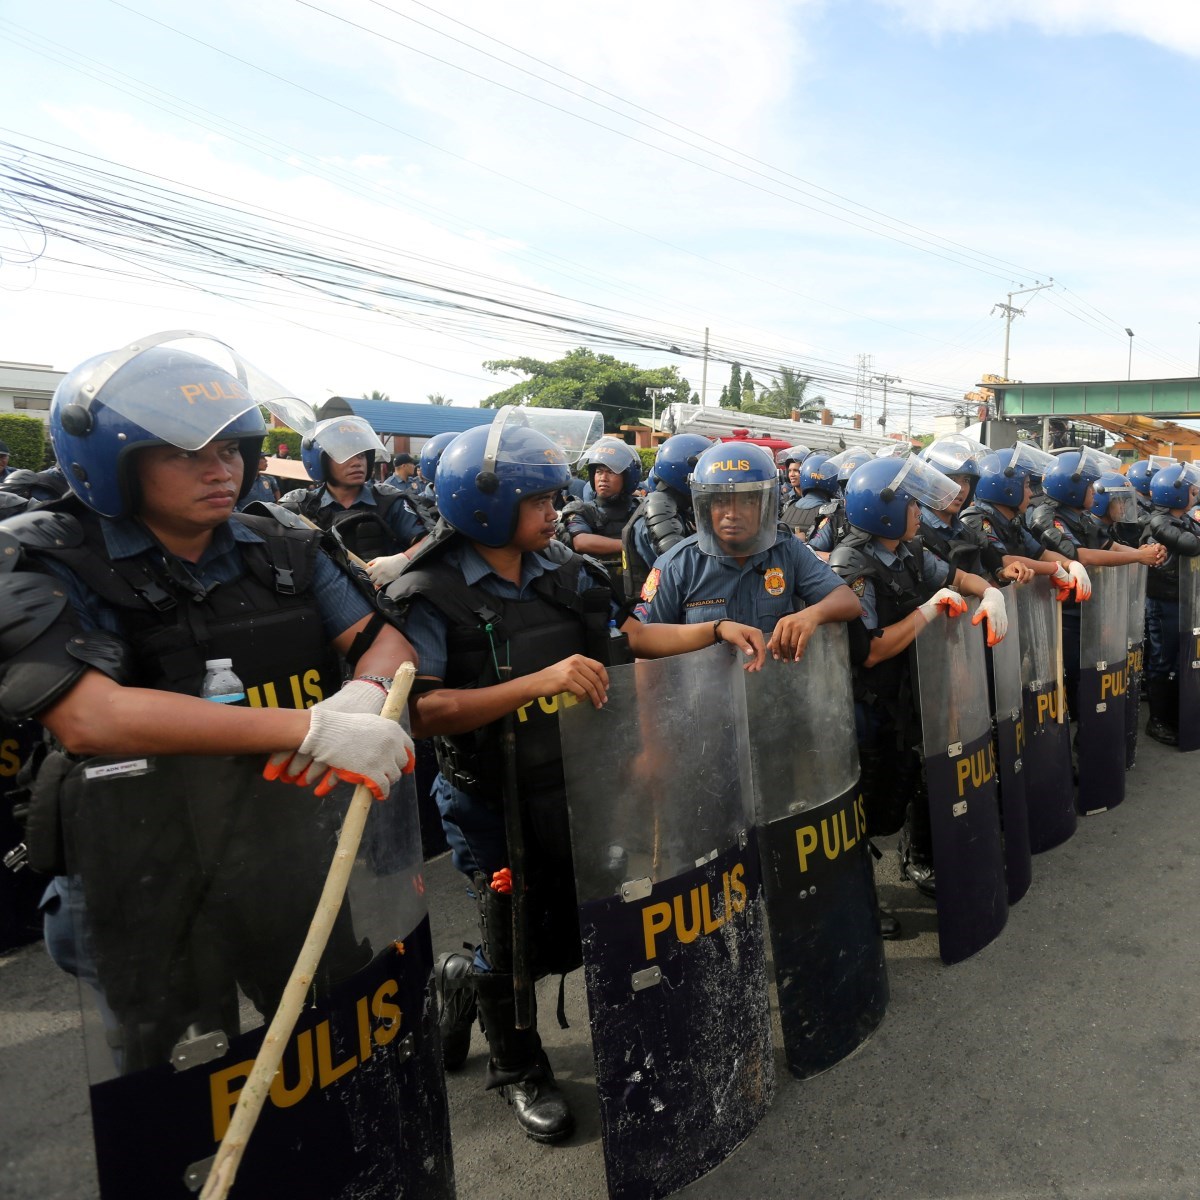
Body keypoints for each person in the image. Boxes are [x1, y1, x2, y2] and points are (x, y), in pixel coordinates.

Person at [0, 332, 417, 1073]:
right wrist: (312, 728)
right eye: (185, 453)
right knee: (185, 1101)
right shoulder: (47, 558)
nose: (219, 469)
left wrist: (365, 692)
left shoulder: (282, 544)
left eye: (230, 449)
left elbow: (385, 641)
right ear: (113, 464)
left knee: (344, 1057)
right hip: (143, 873)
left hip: (283, 853)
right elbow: (89, 716)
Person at [372, 415, 765, 1144]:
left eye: (557, 497)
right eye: (539, 500)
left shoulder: (568, 572)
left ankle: (492, 989)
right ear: (487, 506)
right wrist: (536, 682)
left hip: (583, 781)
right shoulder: (430, 593)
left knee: (592, 918)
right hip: (490, 796)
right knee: (516, 933)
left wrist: (713, 631)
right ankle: (519, 1067)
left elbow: (636, 635)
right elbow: (420, 711)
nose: (557, 511)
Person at [829, 455, 1010, 903]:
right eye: (910, 505)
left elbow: (956, 575)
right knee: (864, 807)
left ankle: (917, 859)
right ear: (884, 510)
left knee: (905, 785)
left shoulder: (907, 550)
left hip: (908, 692)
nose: (918, 513)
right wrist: (928, 610)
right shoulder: (852, 566)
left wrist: (990, 594)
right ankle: (860, 904)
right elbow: (870, 651)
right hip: (869, 702)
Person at [636, 441, 861, 662]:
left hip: (773, 692)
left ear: (764, 505)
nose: (732, 513)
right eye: (721, 501)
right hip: (704, 695)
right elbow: (643, 645)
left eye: (746, 502)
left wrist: (810, 615)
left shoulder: (786, 549)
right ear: (705, 506)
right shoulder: (677, 564)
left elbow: (848, 602)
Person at [1027, 448, 1164, 718]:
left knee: (1086, 674)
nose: (1094, 491)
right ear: (1072, 488)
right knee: (1066, 676)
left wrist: (1147, 555)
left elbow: (1109, 545)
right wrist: (1139, 555)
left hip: (1086, 609)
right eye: (1089, 486)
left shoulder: (1081, 517)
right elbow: (1080, 556)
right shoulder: (1046, 516)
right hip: (1061, 613)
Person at [280, 415, 429, 560]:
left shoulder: (388, 501)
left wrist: (402, 559)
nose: (357, 463)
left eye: (361, 455)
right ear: (322, 462)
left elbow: (427, 543)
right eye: (345, 455)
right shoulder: (300, 507)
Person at [960, 446, 1088, 593]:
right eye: (1027, 486)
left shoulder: (1013, 522)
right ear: (1008, 489)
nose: (1031, 493)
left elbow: (1042, 554)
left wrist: (1070, 564)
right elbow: (1003, 559)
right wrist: (1055, 569)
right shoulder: (976, 519)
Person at [1142, 461, 1200, 744]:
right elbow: (1192, 545)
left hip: (1183, 599)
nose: (1195, 493)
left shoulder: (1183, 518)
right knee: (1163, 661)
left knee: (1182, 659)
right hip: (1165, 601)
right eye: (1191, 490)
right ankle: (1159, 720)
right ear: (1176, 494)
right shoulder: (1159, 522)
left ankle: (1179, 714)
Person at [620, 432, 711, 601]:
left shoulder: (680, 508)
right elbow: (684, 571)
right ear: (686, 474)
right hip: (655, 614)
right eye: (704, 467)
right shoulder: (656, 515)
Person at [557, 436, 641, 584]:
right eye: (599, 472)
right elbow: (581, 542)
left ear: (627, 477)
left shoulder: (641, 508)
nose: (603, 478)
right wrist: (634, 545)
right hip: (598, 591)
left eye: (611, 472)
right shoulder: (580, 509)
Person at [781, 451, 838, 541]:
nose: (791, 474)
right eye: (790, 471)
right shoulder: (831, 511)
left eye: (796, 470)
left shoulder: (788, 506)